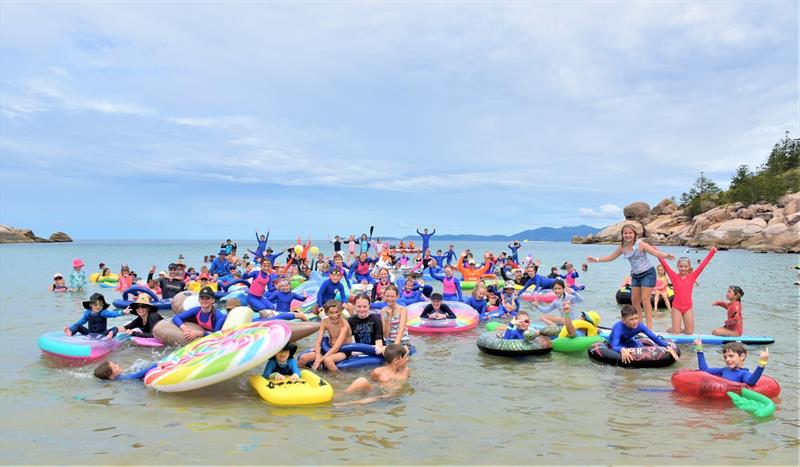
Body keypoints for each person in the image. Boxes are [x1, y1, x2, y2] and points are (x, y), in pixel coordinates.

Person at [587, 224, 675, 329]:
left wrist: (666, 256)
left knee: (645, 300)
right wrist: (596, 260)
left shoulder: (640, 244)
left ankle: (649, 328)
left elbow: (655, 252)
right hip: (635, 275)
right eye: (625, 233)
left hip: (648, 273)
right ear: (622, 235)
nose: (628, 235)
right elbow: (611, 257)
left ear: (634, 234)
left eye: (630, 233)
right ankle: (640, 325)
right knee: (634, 300)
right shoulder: (622, 248)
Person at [658, 247, 717, 335]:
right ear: (678, 266)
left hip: (688, 307)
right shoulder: (673, 276)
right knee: (676, 333)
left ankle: (676, 328)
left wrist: (712, 253)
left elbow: (703, 265)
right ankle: (673, 329)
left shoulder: (693, 276)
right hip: (676, 307)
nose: (683, 268)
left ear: (689, 267)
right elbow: (665, 264)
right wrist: (656, 252)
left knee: (689, 332)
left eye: (685, 266)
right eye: (681, 266)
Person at [608, 304, 678, 364]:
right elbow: (614, 346)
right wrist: (622, 349)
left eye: (636, 318)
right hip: (618, 344)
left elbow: (654, 337)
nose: (635, 321)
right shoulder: (618, 327)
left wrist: (667, 346)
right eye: (631, 319)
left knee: (640, 347)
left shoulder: (639, 326)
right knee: (628, 351)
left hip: (628, 342)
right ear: (623, 320)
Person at [298, 300, 352, 372]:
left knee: (328, 360)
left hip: (343, 351)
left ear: (341, 311)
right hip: (328, 348)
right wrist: (317, 356)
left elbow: (337, 347)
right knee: (303, 358)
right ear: (326, 313)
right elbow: (318, 341)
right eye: (331, 313)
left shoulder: (344, 324)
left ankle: (339, 379)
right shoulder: (324, 322)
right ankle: (298, 376)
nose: (334, 315)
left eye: (337, 312)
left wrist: (321, 360)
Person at [694, 339, 768, 385]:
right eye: (725, 357)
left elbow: (751, 382)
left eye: (731, 356)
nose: (727, 359)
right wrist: (699, 349)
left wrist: (762, 363)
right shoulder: (724, 370)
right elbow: (704, 370)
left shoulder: (744, 374)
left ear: (742, 356)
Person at [344, 343, 410, 394]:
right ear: (396, 360)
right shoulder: (378, 372)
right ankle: (343, 396)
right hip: (379, 396)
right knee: (362, 381)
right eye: (406, 357)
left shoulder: (406, 371)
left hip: (392, 398)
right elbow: (372, 384)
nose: (408, 359)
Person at [94, 361, 158, 381]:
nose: (117, 365)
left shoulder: (115, 378)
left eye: (115, 364)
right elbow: (136, 375)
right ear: (111, 376)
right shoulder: (122, 378)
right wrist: (156, 364)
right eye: (114, 367)